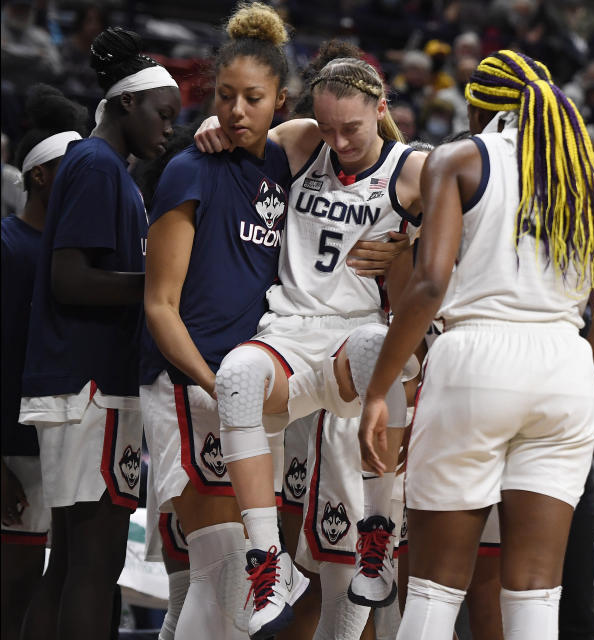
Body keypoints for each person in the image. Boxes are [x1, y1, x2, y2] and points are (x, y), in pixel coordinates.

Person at [356, 49, 594, 639]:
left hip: (477, 361)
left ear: (478, 107)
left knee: (434, 585)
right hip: (566, 367)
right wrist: (578, 379)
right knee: (534, 592)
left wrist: (379, 389)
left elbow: (429, 284)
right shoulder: (592, 182)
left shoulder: (459, 158)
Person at [194, 50, 426, 638]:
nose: (339, 142)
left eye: (351, 128)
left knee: (381, 344)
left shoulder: (415, 169)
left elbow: (464, 244)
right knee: (237, 376)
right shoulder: (300, 141)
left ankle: (381, 528)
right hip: (290, 336)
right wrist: (213, 127)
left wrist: (409, 247)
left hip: (354, 341)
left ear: (381, 109)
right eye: (328, 128)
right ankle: (266, 563)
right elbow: (239, 127)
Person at [16, 26, 179, 640]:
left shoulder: (106, 168)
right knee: (96, 560)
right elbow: (68, 278)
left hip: (81, 385)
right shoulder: (96, 165)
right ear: (128, 103)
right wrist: (159, 286)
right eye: (163, 114)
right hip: (90, 386)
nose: (169, 128)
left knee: (74, 562)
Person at [140, 4, 292, 639]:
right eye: (224, 96)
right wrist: (210, 384)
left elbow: (361, 129)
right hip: (189, 385)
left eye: (252, 98)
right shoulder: (188, 169)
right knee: (229, 568)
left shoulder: (290, 165)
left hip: (256, 392)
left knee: (215, 584)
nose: (236, 111)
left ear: (279, 100)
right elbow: (158, 305)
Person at [1, 84, 87, 640]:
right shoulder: (7, 247)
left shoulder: (73, 257)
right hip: (10, 452)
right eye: (70, 170)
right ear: (39, 176)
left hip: (53, 447)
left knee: (35, 599)